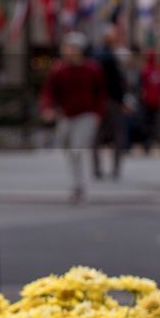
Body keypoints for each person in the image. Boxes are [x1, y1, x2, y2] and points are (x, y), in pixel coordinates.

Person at [40, 32, 106, 204]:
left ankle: (78, 186)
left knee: (76, 150)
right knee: (65, 145)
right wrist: (48, 109)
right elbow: (49, 92)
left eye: (69, 47)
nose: (66, 50)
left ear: (79, 50)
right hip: (66, 115)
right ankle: (77, 182)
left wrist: (98, 114)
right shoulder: (59, 70)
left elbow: (100, 94)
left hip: (86, 115)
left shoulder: (92, 69)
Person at [91, 26, 127, 180]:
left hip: (99, 101)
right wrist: (121, 100)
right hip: (111, 101)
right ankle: (115, 170)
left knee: (97, 137)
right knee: (118, 136)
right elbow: (117, 83)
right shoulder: (110, 57)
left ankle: (98, 169)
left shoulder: (96, 55)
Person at [139, 49, 160, 152]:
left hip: (147, 101)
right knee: (155, 122)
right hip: (157, 101)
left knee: (147, 122)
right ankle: (157, 141)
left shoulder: (145, 71)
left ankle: (148, 143)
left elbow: (141, 86)